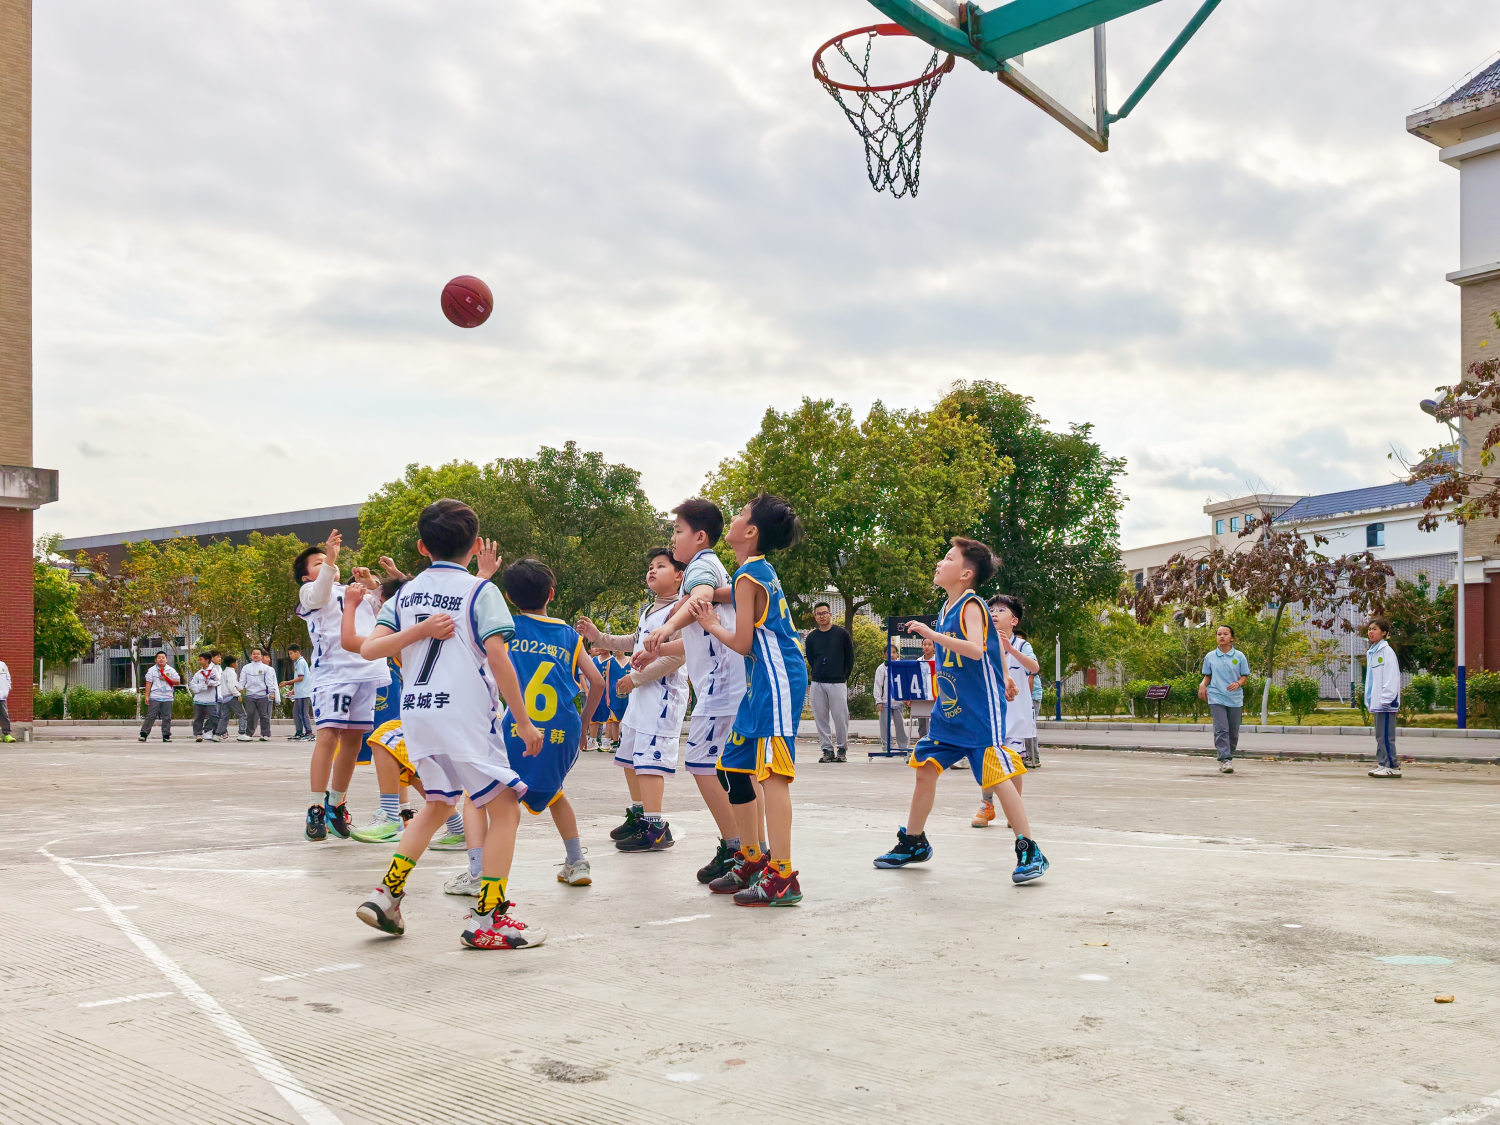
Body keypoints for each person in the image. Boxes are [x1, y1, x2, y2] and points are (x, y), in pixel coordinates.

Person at [354, 498, 546, 950]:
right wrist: (524, 722)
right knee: (505, 810)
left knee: (439, 804)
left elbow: (368, 650)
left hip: (418, 711)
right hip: (463, 715)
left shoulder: (403, 594)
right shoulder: (482, 593)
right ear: (476, 545)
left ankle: (386, 895)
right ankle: (489, 919)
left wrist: (417, 632)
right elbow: (498, 658)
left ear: (422, 547)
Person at [873, 537, 1048, 884]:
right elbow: (991, 647)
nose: (940, 562)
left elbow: (975, 649)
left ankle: (1030, 849)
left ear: (966, 573)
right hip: (949, 713)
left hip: (979, 712)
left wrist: (931, 635)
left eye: (948, 558)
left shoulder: (971, 605)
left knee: (995, 776)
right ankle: (913, 842)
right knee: (925, 768)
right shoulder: (946, 607)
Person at [689, 492, 809, 907]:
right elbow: (726, 595)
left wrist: (706, 622)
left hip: (779, 679)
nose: (736, 518)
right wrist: (702, 601)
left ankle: (782, 875)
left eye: (741, 514)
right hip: (764, 680)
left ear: (751, 531)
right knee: (735, 765)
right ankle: (752, 859)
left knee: (772, 775)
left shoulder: (749, 576)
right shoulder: (751, 572)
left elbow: (741, 642)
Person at [638, 497, 757, 885]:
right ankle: (743, 847)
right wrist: (656, 648)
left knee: (703, 766)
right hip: (725, 684)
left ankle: (737, 847)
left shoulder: (700, 567)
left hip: (722, 688)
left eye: (677, 531)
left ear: (699, 536)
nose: (673, 539)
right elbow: (699, 641)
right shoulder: (709, 566)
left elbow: (700, 601)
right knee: (730, 770)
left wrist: (666, 627)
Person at [499, 558, 605, 886]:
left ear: (510, 597)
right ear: (552, 595)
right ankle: (577, 861)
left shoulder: (506, 630)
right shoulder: (568, 636)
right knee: (556, 792)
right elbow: (597, 683)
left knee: (496, 795)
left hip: (519, 725)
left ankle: (480, 869)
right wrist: (585, 724)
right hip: (564, 729)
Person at [576, 548, 690, 852]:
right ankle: (640, 814)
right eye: (650, 566)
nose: (652, 571)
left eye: (661, 566)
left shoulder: (679, 612)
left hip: (664, 694)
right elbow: (633, 641)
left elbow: (679, 655)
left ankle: (656, 828)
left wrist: (635, 677)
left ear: (680, 576)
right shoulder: (649, 611)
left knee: (650, 762)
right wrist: (599, 637)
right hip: (642, 695)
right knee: (630, 756)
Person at [293, 528, 392, 842]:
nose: (326, 564)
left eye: (328, 559)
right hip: (335, 674)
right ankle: (315, 805)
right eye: (318, 562)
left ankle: (337, 801)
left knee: (353, 740)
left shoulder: (351, 591)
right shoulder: (311, 594)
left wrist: (371, 583)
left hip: (366, 671)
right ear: (306, 577)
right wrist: (331, 560)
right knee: (328, 736)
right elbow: (321, 593)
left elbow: (383, 610)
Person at [973, 594, 1038, 827]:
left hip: (1016, 717)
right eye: (991, 610)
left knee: (1013, 764)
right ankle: (986, 805)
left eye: (1001, 610)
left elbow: (1034, 667)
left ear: (1014, 620)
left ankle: (1014, 808)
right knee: (988, 762)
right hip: (990, 715)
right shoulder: (982, 644)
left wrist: (1010, 648)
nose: (994, 613)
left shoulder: (1022, 645)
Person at [805, 602, 854, 763]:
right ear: (815, 617)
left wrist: (843, 675)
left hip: (837, 681)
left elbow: (849, 658)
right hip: (818, 681)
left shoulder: (841, 634)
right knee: (820, 718)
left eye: (825, 613)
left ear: (830, 614)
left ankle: (841, 749)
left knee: (840, 716)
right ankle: (827, 750)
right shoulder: (812, 637)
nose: (822, 616)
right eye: (819, 614)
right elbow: (811, 658)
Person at [1198, 624, 1250, 775]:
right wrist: (1202, 685)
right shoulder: (1210, 657)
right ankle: (1225, 759)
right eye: (1219, 634)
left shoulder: (1239, 656)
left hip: (1234, 698)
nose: (1221, 636)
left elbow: (1245, 675)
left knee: (1233, 732)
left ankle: (1229, 756)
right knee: (1222, 730)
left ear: (1232, 638)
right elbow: (1207, 675)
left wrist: (1238, 683)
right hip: (1216, 696)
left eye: (1225, 634)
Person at [1365, 617, 1402, 779]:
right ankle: (1382, 763)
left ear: (1384, 632)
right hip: (1377, 701)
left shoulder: (1387, 652)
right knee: (1380, 735)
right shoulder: (1373, 651)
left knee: (1386, 735)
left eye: (1374, 629)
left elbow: (1391, 677)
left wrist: (1386, 699)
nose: (1370, 632)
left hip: (1386, 702)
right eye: (1369, 629)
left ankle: (1392, 766)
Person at [873, 641, 911, 752]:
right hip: (885, 702)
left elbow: (905, 683)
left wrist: (906, 697)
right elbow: (878, 685)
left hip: (898, 702)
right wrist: (878, 701)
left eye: (894, 652)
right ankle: (887, 746)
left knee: (900, 725)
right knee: (885, 725)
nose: (892, 655)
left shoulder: (901, 668)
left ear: (897, 654)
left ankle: (903, 746)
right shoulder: (881, 669)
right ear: (884, 654)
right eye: (889, 652)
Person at [138, 651, 179, 742]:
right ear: (156, 660)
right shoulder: (152, 670)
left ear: (166, 660)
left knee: (167, 717)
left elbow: (177, 682)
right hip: (155, 695)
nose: (161, 659)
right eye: (159, 658)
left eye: (163, 657)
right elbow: (148, 683)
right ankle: (143, 734)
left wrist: (167, 679)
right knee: (151, 716)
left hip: (167, 696)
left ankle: (166, 735)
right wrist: (146, 696)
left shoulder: (171, 670)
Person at [240, 648, 280, 741]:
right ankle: (249, 734)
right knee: (250, 715)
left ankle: (265, 734)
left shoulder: (267, 669)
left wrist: (272, 692)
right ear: (251, 656)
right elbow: (242, 681)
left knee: (264, 715)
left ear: (261, 656)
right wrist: (239, 690)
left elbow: (270, 682)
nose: (256, 655)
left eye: (258, 654)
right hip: (250, 695)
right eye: (254, 654)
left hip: (262, 696)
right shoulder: (246, 668)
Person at [189, 653, 222, 742]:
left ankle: (214, 733)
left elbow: (218, 681)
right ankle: (198, 734)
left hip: (210, 699)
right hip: (199, 699)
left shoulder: (214, 671)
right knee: (198, 718)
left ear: (207, 660)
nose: (199, 661)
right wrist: (201, 687)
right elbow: (192, 685)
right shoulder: (198, 673)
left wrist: (212, 683)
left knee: (213, 717)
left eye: (201, 659)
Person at [215, 655, 247, 741]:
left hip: (225, 698)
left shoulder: (224, 672)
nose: (236, 664)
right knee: (242, 715)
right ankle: (242, 733)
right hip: (232, 697)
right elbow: (231, 686)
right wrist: (238, 694)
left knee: (224, 717)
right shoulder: (231, 673)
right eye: (236, 662)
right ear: (232, 664)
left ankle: (217, 734)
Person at [909, 638, 937, 739]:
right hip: (921, 697)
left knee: (935, 723)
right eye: (924, 644)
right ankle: (923, 744)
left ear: (934, 647)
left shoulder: (938, 661)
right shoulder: (917, 662)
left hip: (935, 697)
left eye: (929, 644)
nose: (927, 647)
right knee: (922, 725)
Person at [286, 643, 313, 741]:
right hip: (299, 693)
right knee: (296, 712)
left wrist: (287, 683)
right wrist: (293, 690)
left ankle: (309, 732)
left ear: (297, 652)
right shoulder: (297, 662)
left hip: (303, 693)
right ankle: (299, 732)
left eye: (292, 653)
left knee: (303, 713)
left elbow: (300, 678)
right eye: (289, 654)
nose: (290, 656)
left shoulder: (301, 662)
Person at [0, 658, 12, 742]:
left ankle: (7, 734)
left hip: (2, 696)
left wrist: (7, 688)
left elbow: (8, 677)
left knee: (4, 715)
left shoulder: (2, 664)